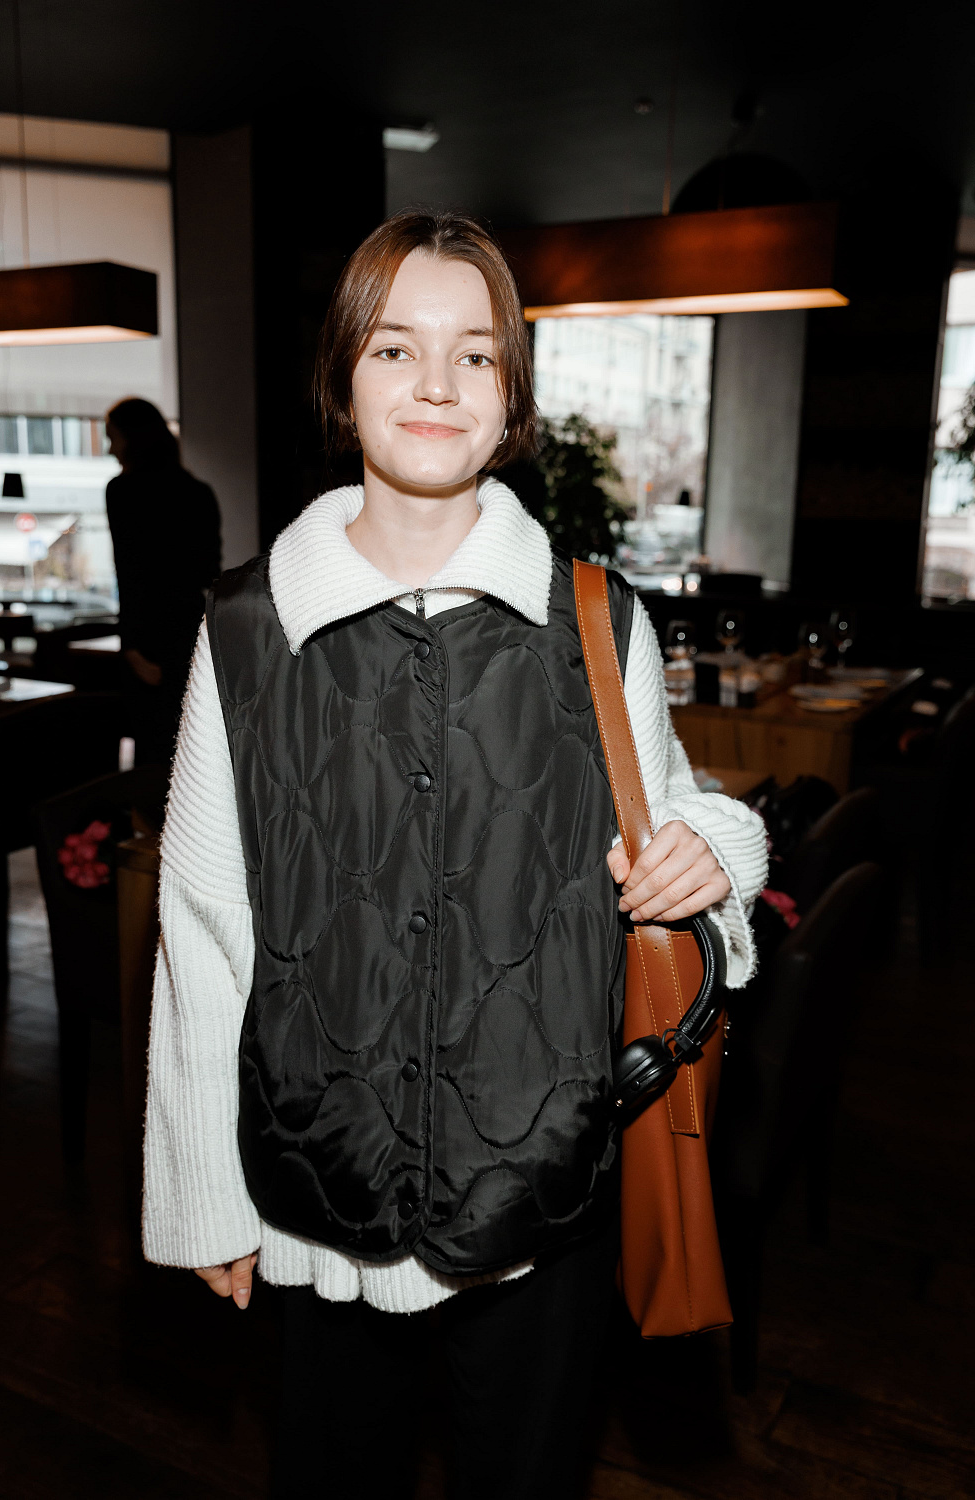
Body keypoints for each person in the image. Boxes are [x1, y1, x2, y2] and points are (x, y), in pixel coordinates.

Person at [142, 211, 768, 1500]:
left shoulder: (594, 618)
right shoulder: (247, 630)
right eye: (394, 348)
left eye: (474, 355)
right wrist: (203, 1193)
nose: (436, 383)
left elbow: (679, 809)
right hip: (321, 1187)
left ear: (511, 397)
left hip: (543, 1181)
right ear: (342, 379)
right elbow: (203, 928)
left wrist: (715, 848)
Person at [105, 397, 221, 766]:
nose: (110, 449)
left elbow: (129, 572)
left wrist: (132, 646)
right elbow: (210, 572)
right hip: (191, 631)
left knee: (150, 755)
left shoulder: (123, 492)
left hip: (148, 636)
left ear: (132, 439)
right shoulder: (200, 492)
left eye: (113, 438)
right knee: (191, 749)